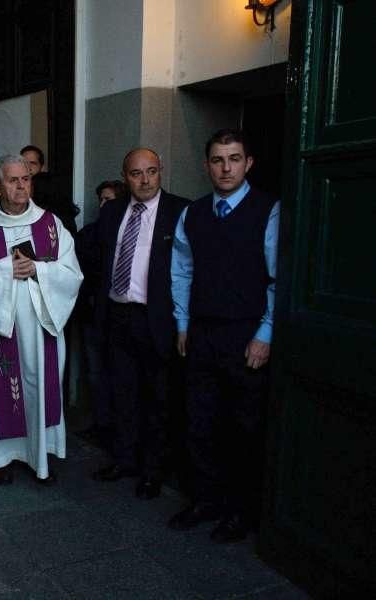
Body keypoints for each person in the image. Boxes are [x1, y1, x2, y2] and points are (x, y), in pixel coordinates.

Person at [168, 129, 279, 543]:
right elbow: (182, 271)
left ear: (248, 163)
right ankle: (205, 500)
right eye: (218, 160)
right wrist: (183, 325)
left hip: (246, 335)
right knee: (199, 421)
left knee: (243, 427)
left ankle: (241, 510)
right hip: (202, 333)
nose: (226, 167)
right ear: (207, 165)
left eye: (234, 158)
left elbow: (277, 278)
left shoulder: (269, 210)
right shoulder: (193, 214)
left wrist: (265, 333)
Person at [0, 155, 82, 484]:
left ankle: (39, 455)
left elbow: (73, 274)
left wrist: (39, 269)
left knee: (39, 385)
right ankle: (0, 458)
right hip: (0, 325)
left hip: (41, 324)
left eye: (26, 178)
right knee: (2, 392)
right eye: (13, 180)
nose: (22, 185)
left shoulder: (51, 224)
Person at [91, 150, 189, 501]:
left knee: (158, 398)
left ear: (161, 171)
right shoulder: (113, 212)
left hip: (156, 319)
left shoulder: (180, 211)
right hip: (119, 316)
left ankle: (153, 471)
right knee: (123, 393)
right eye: (136, 173)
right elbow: (98, 262)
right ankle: (124, 459)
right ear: (124, 176)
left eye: (151, 172)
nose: (145, 180)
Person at [73, 180, 126, 451]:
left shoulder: (126, 233)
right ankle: (101, 423)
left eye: (110, 200)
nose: (105, 205)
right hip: (92, 313)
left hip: (118, 316)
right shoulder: (89, 233)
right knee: (94, 372)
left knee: (118, 373)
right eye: (102, 200)